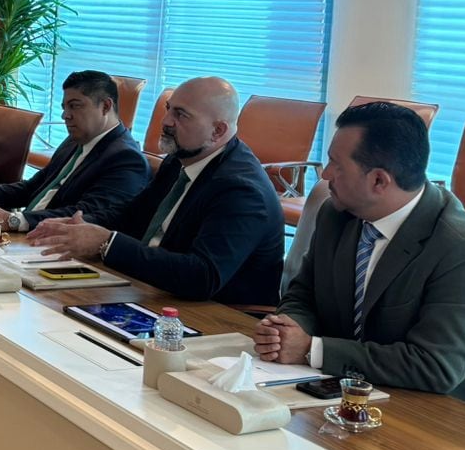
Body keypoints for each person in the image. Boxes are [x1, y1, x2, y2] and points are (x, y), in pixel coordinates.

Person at [255, 102, 465, 416]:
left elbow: (434, 366)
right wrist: (286, 331)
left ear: (379, 181)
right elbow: (304, 293)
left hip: (458, 416)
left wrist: (312, 349)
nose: (325, 174)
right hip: (358, 393)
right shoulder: (337, 214)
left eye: (336, 164)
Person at [28, 76, 283, 309]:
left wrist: (106, 243)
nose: (166, 122)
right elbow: (132, 216)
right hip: (156, 293)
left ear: (218, 131)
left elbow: (202, 276)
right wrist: (81, 228)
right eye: (168, 108)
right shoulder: (180, 159)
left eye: (181, 115)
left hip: (221, 317)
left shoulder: (241, 190)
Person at [0, 70, 147, 232]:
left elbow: (85, 216)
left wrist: (15, 220)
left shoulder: (126, 159)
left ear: (106, 106)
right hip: (27, 234)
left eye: (75, 106)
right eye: (65, 107)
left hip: (60, 250)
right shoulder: (74, 141)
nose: (66, 115)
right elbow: (34, 187)